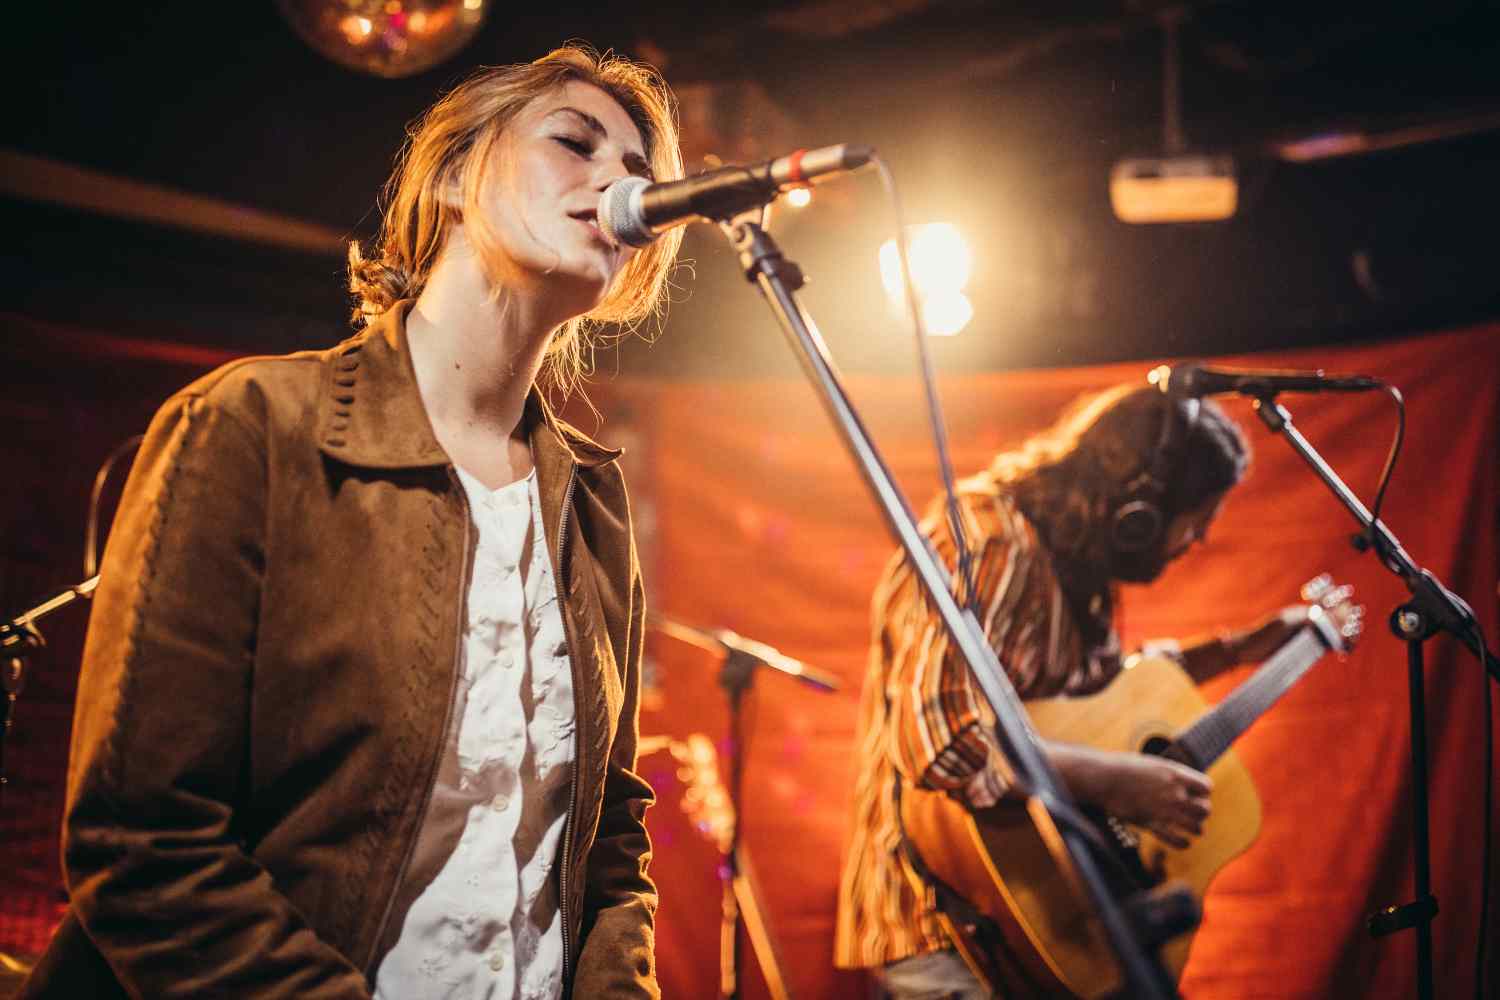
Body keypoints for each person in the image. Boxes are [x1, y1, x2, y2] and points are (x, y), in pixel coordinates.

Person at [20, 44, 683, 1000]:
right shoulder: (252, 427)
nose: (619, 179)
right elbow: (143, 841)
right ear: (454, 177)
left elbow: (610, 835)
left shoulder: (590, 505)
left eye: (637, 170)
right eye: (575, 142)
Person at [834, 383, 1321, 998]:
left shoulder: (1068, 559)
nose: (1193, 544)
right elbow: (943, 741)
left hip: (1038, 918)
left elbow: (1103, 700)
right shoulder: (991, 543)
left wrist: (1237, 650)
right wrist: (1117, 781)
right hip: (952, 923)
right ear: (1137, 512)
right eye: (1194, 524)